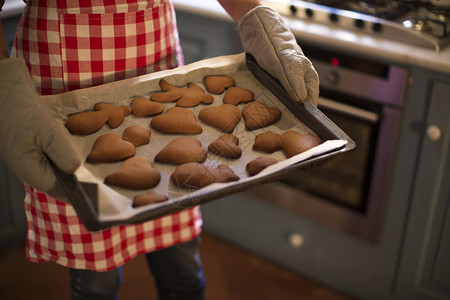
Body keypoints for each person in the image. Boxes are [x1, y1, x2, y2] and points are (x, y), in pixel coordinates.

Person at [0, 0, 319, 299]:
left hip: (158, 63)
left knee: (182, 263)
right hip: (63, 79)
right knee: (98, 279)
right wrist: (5, 89)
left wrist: (257, 18)